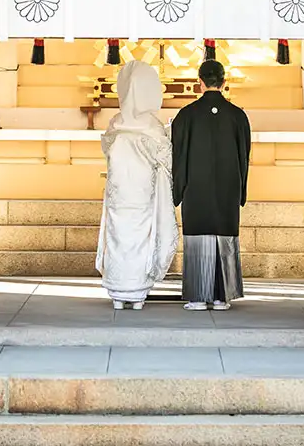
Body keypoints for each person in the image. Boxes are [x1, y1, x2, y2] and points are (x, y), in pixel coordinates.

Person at [96, 61, 178, 310]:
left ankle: (118, 293)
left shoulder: (116, 123)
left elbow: (109, 154)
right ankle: (138, 292)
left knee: (118, 236)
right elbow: (166, 159)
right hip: (144, 193)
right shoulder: (152, 126)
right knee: (142, 238)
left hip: (119, 194)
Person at [172, 60, 250, 311]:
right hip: (228, 187)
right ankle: (221, 297)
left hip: (196, 187)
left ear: (200, 82)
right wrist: (241, 190)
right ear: (224, 83)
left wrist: (178, 188)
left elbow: (178, 155)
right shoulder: (238, 115)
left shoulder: (186, 114)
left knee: (198, 237)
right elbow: (244, 155)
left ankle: (197, 297)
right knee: (224, 236)